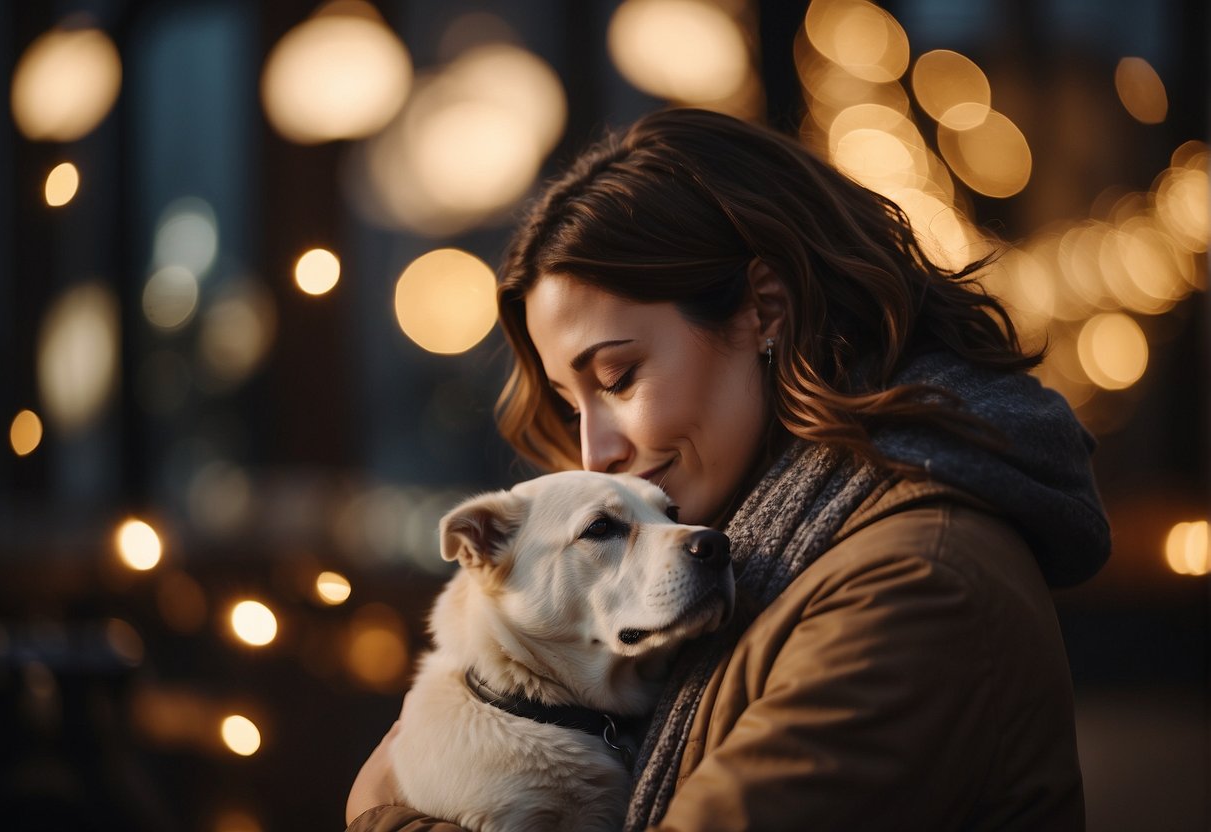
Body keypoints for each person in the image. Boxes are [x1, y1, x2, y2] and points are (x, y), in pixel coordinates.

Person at [346, 107, 1110, 831]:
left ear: (763, 311)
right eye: (572, 404)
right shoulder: (777, 544)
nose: (593, 452)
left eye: (616, 378)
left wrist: (387, 813)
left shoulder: (914, 583)